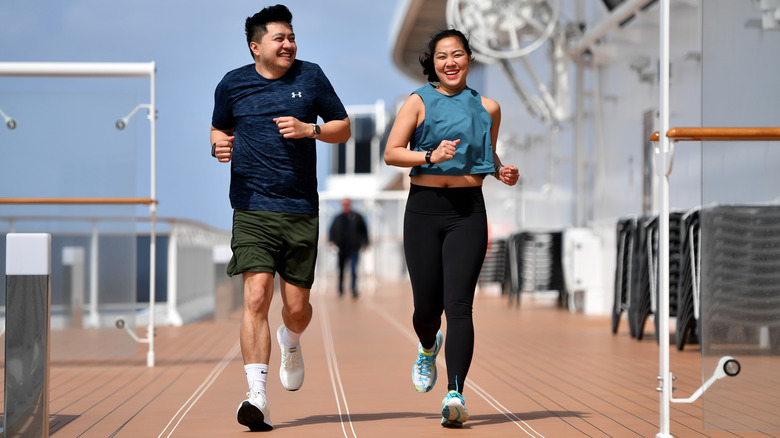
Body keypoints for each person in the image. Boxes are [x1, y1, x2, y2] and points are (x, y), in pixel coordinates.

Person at [210, 4, 350, 432]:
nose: (289, 44)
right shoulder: (232, 84)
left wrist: (311, 130)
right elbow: (219, 129)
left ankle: (291, 340)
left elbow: (343, 126)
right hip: (251, 207)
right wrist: (218, 146)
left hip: (300, 209)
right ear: (256, 47)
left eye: (291, 37)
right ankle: (257, 396)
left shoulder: (311, 76)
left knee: (297, 308)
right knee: (255, 297)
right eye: (279, 38)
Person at [383, 29, 519, 428]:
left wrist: (501, 170)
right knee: (427, 308)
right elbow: (392, 153)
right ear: (433, 63)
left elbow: (486, 154)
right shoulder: (418, 101)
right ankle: (428, 347)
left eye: (457, 55)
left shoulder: (488, 107)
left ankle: (455, 394)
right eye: (442, 56)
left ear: (469, 60)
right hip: (424, 211)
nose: (450, 62)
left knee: (459, 306)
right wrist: (429, 154)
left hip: (468, 212)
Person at [328, 198, 369, 299]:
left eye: (347, 204)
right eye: (344, 204)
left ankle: (354, 289)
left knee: (354, 269)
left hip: (354, 248)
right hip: (341, 249)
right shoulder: (338, 218)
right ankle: (341, 290)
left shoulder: (357, 217)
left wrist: (365, 243)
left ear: (350, 204)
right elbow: (331, 230)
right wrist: (331, 241)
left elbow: (364, 230)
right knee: (341, 270)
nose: (345, 206)